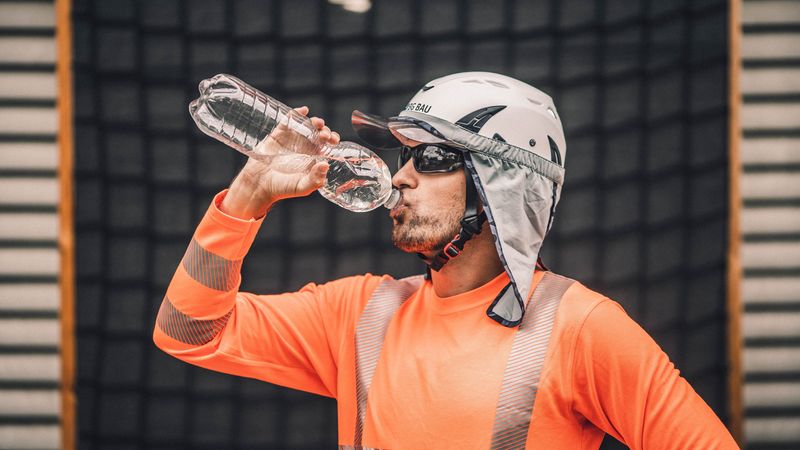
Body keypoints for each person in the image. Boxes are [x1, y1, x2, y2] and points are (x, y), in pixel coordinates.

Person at [154, 72, 738, 449]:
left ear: (500, 183)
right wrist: (247, 199)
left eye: (431, 157)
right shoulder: (361, 314)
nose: (402, 176)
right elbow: (188, 332)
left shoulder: (580, 328)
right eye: (405, 156)